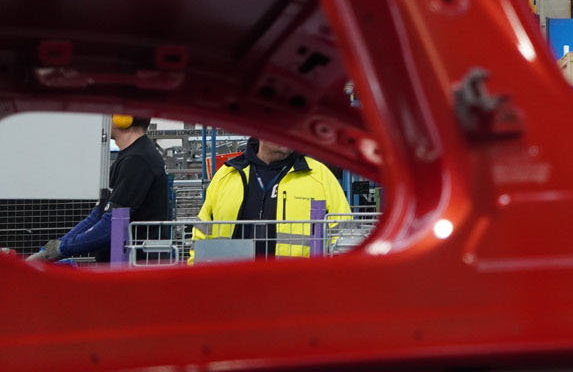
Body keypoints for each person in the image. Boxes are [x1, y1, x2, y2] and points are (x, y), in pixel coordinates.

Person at [30, 114, 172, 264]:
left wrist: (60, 249)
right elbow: (97, 215)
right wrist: (52, 249)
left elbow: (112, 225)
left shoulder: (138, 160)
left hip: (137, 266)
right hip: (124, 263)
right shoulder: (129, 156)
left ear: (123, 119)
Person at [194, 136, 350, 258]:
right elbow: (202, 232)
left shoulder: (319, 176)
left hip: (297, 284)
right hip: (234, 282)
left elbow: (344, 234)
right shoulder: (227, 174)